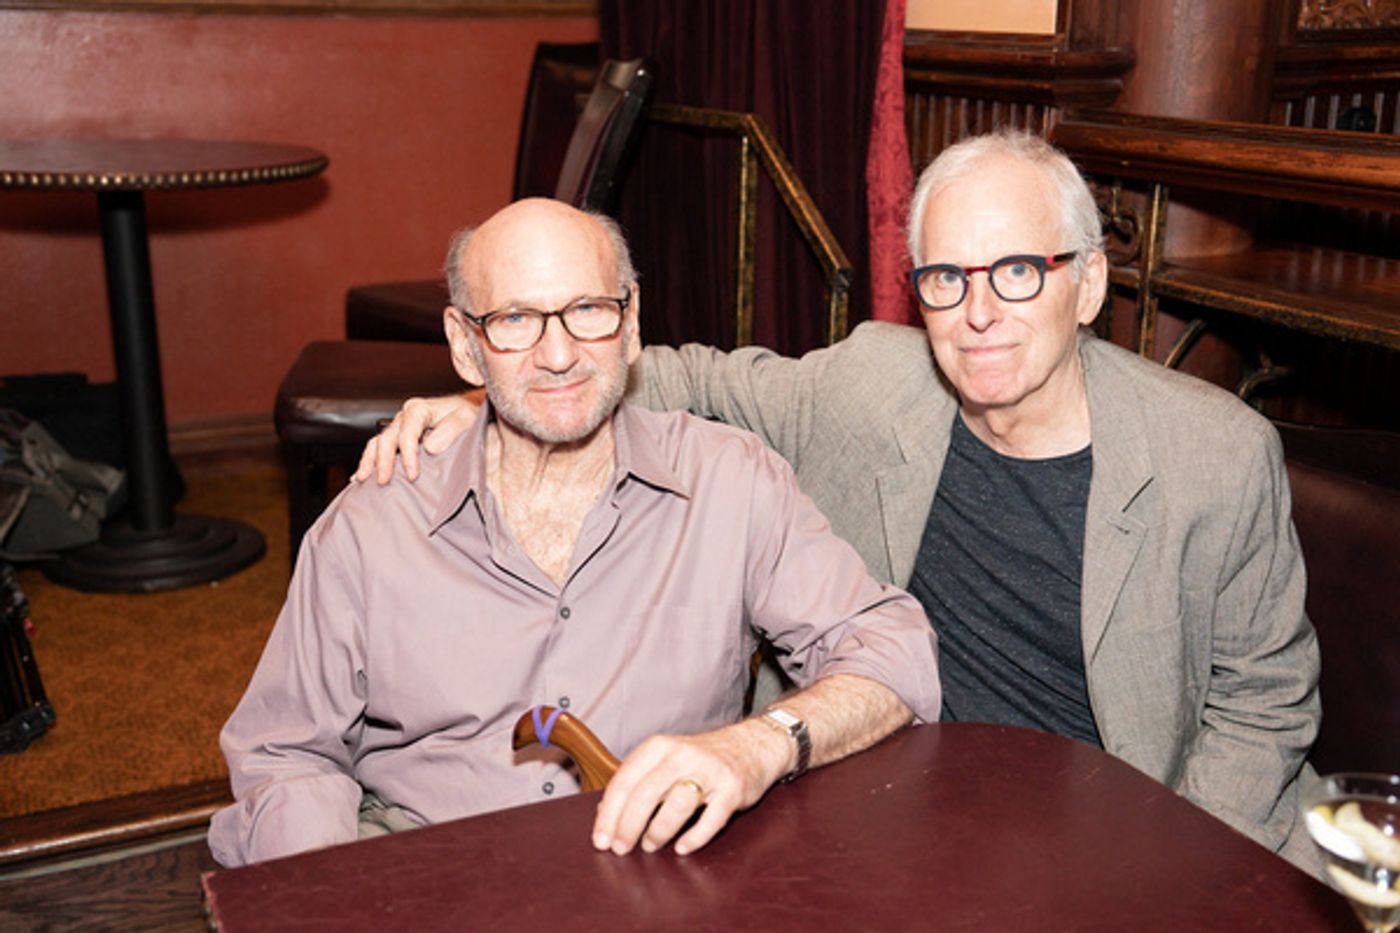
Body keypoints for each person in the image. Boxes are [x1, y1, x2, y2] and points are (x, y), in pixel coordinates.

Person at [359, 131, 1322, 870]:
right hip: (896, 815)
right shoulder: (872, 383)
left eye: (1018, 272)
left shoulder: (1214, 455)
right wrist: (496, 397)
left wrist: (1167, 869)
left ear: (1089, 284)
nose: (979, 312)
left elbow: (1265, 708)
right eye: (946, 279)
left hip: (1123, 830)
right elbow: (686, 376)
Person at [209, 199, 940, 868]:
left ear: (631, 321)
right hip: (432, 877)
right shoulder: (374, 524)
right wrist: (328, 895)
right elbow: (285, 753)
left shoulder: (730, 483)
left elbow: (894, 651)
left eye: (587, 309)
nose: (558, 355)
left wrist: (760, 743)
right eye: (515, 320)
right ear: (465, 345)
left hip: (660, 880)